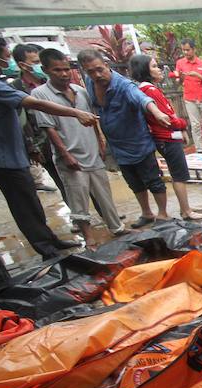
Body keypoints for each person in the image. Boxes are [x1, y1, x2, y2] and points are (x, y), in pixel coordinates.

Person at [0, 35, 93, 259]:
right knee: (24, 204)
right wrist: (76, 112)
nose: (8, 61)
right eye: (6, 56)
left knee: (31, 201)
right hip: (2, 157)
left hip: (14, 152)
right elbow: (33, 105)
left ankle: (50, 240)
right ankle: (47, 249)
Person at [32, 48, 125, 245]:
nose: (64, 74)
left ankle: (117, 228)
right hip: (71, 156)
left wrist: (100, 143)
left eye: (66, 68)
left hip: (92, 151)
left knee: (104, 196)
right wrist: (66, 155)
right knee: (78, 199)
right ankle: (89, 238)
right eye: (57, 70)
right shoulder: (40, 95)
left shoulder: (80, 91)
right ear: (45, 70)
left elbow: (93, 120)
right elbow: (50, 129)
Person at [78, 49, 174, 228]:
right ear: (85, 71)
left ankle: (163, 213)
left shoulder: (123, 85)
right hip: (117, 145)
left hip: (139, 143)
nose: (97, 75)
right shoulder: (91, 84)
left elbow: (142, 99)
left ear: (107, 65)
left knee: (153, 180)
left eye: (100, 69)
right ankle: (146, 213)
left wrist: (157, 113)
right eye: (91, 71)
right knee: (134, 183)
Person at [130, 54, 202, 223]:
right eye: (154, 66)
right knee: (179, 174)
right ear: (145, 70)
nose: (159, 69)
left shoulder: (146, 90)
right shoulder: (149, 91)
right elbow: (167, 118)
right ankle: (186, 211)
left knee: (178, 173)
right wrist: (182, 124)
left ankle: (185, 207)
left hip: (167, 136)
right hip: (167, 137)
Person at [12, 43, 68, 199]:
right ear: (23, 65)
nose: (41, 65)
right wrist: (32, 148)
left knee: (84, 179)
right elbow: (21, 123)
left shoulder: (51, 82)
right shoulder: (16, 89)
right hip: (43, 145)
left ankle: (104, 213)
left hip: (67, 138)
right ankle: (80, 219)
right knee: (63, 182)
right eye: (36, 62)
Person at [174, 38, 202, 154]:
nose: (185, 52)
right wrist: (180, 78)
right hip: (189, 98)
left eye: (188, 50)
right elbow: (178, 81)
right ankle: (199, 149)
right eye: (183, 50)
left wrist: (197, 75)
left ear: (193, 49)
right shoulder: (180, 63)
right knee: (195, 125)